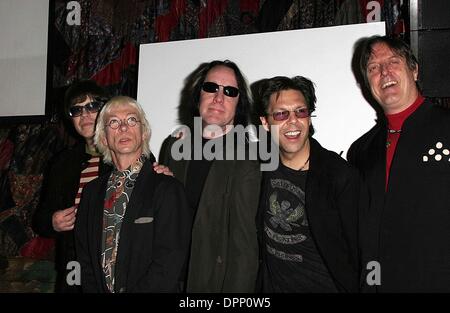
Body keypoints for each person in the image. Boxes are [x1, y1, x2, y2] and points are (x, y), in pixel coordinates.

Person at [347, 35, 450, 292]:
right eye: (373, 68)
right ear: (365, 84)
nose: (384, 72)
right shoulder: (361, 151)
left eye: (394, 62)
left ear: (414, 70)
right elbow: (366, 234)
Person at [159, 60, 261, 292]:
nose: (218, 97)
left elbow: (244, 245)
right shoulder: (174, 146)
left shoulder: (250, 158)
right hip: (169, 277)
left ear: (239, 104)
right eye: (211, 87)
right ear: (198, 96)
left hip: (213, 283)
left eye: (230, 91)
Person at [74, 96, 191, 293]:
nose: (123, 128)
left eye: (131, 120)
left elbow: (170, 261)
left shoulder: (167, 188)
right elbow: (85, 260)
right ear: (103, 138)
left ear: (144, 132)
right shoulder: (91, 192)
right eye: (113, 122)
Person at [255, 76, 360, 292]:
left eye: (300, 111)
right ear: (265, 123)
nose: (292, 121)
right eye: (281, 114)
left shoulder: (339, 176)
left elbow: (361, 252)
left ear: (309, 118)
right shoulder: (258, 166)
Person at [32, 80, 111, 292]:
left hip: (118, 268)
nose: (84, 114)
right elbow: (41, 219)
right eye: (76, 110)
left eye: (92, 106)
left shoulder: (129, 156)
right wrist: (53, 221)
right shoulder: (63, 162)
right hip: (74, 268)